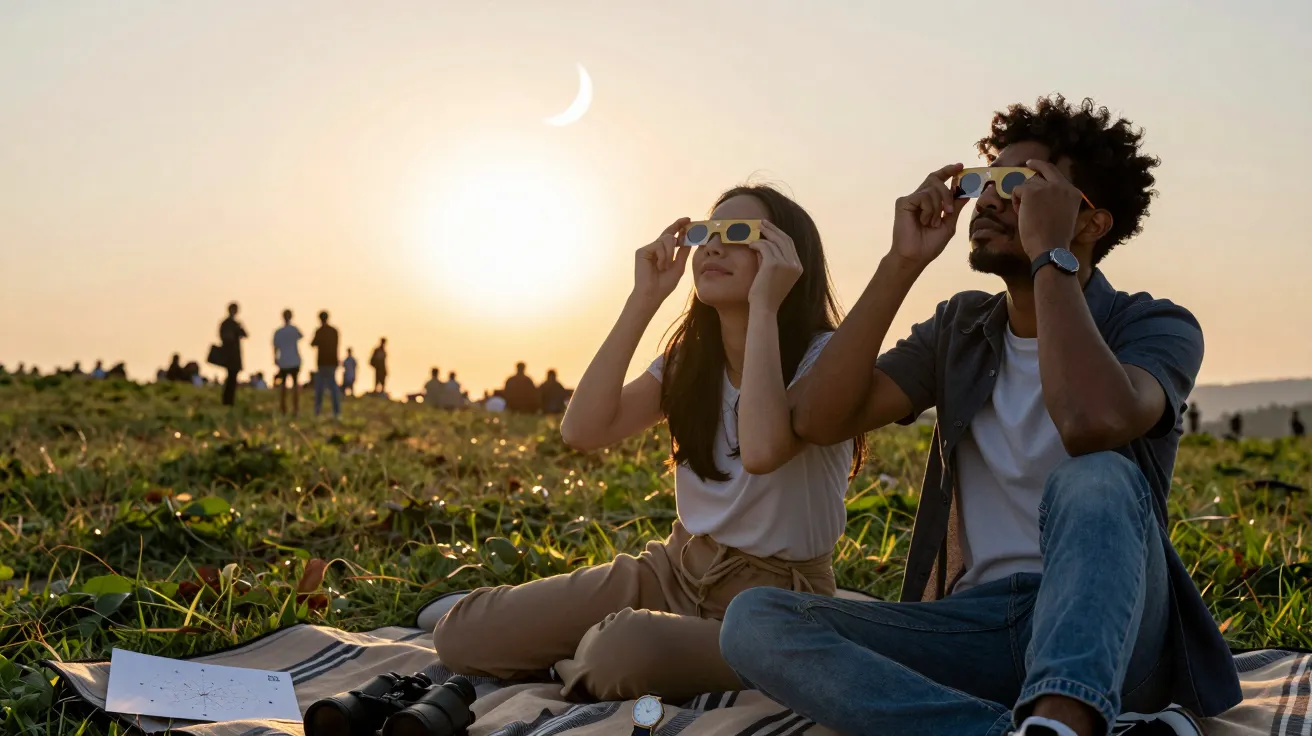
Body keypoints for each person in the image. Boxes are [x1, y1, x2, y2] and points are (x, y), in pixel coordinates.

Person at [719, 96, 1242, 736]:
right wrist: (901, 263)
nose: (989, 200)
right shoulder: (960, 329)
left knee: (1095, 476)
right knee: (756, 622)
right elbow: (817, 420)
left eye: (1020, 184)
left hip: (1114, 632)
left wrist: (1051, 255)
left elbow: (1090, 422)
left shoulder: (1154, 324)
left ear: (1090, 221)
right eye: (985, 181)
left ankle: (1066, 712)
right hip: (978, 628)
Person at [434, 184, 863, 704]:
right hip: (675, 571)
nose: (713, 247)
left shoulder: (824, 360)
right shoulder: (691, 362)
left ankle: (584, 655)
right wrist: (645, 297)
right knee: (461, 635)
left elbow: (762, 450)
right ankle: (578, 653)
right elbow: (582, 430)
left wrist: (765, 310)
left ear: (787, 255)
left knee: (620, 653)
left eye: (740, 235)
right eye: (707, 234)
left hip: (774, 604)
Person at [310, 311, 341, 418]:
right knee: (333, 387)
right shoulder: (334, 331)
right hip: (332, 362)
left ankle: (318, 410)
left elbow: (313, 343)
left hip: (322, 362)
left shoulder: (319, 331)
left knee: (320, 387)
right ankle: (336, 411)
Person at [273, 310, 303, 416]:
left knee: (283, 386)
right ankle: (295, 408)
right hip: (294, 360)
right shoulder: (294, 330)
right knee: (295, 386)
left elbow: (275, 347)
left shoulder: (278, 332)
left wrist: (275, 358)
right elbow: (301, 336)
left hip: (284, 361)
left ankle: (283, 408)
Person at [218, 303, 247, 406]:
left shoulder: (228, 323)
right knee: (231, 377)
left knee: (231, 377)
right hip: (232, 354)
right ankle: (228, 401)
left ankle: (228, 400)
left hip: (230, 353)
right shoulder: (232, 324)